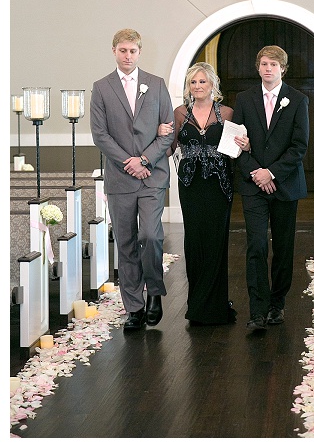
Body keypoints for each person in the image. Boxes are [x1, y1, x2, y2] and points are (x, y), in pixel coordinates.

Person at [90, 29, 174, 330]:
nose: (128, 56)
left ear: (139, 52)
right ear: (114, 50)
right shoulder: (101, 88)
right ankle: (134, 308)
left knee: (150, 237)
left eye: (133, 51)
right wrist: (130, 163)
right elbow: (100, 134)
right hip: (121, 178)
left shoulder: (156, 84)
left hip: (152, 176)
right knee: (125, 243)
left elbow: (168, 129)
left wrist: (145, 160)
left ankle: (155, 292)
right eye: (123, 50)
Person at [233, 45, 309, 330]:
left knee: (283, 246)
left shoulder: (298, 100)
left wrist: (272, 173)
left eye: (273, 65)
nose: (268, 69)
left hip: (285, 184)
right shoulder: (244, 99)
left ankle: (277, 304)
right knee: (256, 245)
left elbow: (299, 147)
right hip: (253, 184)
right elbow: (236, 142)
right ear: (258, 67)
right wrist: (256, 173)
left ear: (282, 69)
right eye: (263, 64)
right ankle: (257, 310)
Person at [168, 62, 238, 325]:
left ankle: (217, 305)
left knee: (216, 239)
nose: (197, 87)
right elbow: (169, 147)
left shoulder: (227, 112)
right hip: (190, 184)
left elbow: (236, 149)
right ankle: (196, 305)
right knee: (194, 240)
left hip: (220, 184)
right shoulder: (179, 113)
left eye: (202, 82)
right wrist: (159, 134)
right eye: (193, 83)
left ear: (212, 85)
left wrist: (245, 144)